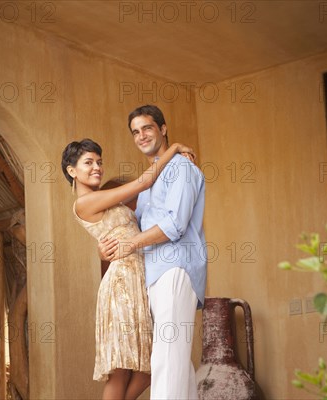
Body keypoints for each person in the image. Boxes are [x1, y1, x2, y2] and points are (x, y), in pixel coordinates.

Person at [61, 138, 195, 400]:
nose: (97, 167)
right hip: (121, 284)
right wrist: (174, 149)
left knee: (148, 369)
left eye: (99, 162)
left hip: (138, 279)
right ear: (71, 171)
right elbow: (142, 183)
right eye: (88, 163)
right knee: (121, 370)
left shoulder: (103, 201)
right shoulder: (85, 203)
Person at [99, 105, 207, 399]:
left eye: (147, 128)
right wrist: (106, 242)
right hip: (155, 274)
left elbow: (175, 223)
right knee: (177, 364)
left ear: (163, 128)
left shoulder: (182, 168)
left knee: (164, 359)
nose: (141, 135)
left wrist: (131, 245)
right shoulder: (151, 180)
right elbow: (132, 225)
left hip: (175, 268)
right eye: (135, 131)